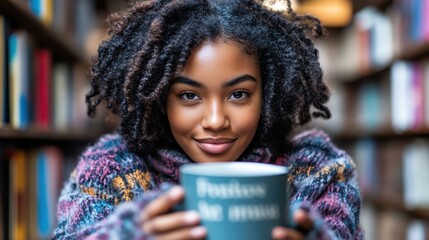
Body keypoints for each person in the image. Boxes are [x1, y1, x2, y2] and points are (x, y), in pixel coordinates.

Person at [53, 0, 363, 239]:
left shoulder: (315, 167)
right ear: (160, 98)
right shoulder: (111, 166)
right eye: (189, 96)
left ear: (268, 94)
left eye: (239, 94)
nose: (215, 121)